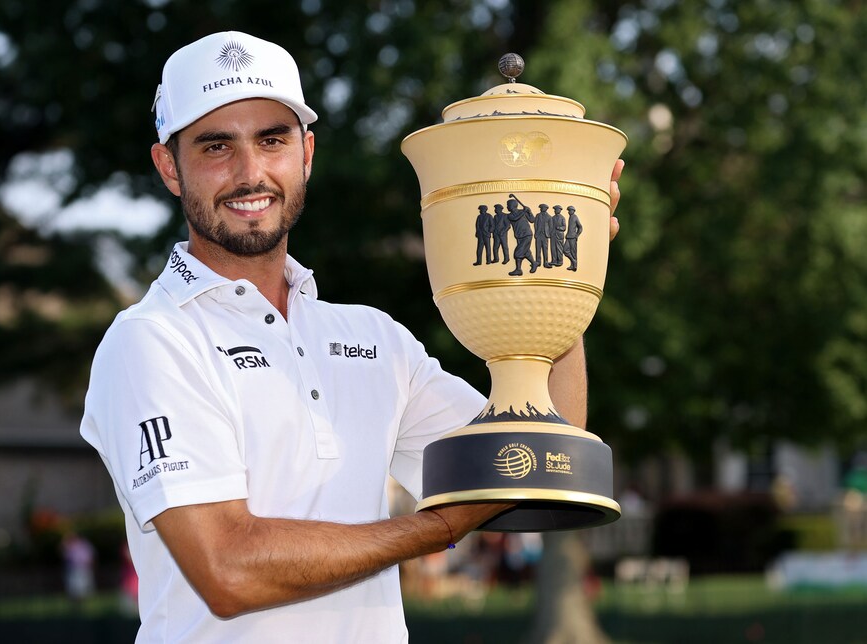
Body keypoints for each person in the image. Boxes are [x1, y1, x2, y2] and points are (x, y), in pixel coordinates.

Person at [80, 30, 624, 643]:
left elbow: (541, 456)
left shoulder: (373, 338)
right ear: (168, 168)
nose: (250, 172)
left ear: (306, 153)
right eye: (215, 146)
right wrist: (441, 526)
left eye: (272, 140)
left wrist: (559, 271)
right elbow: (227, 570)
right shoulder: (150, 342)